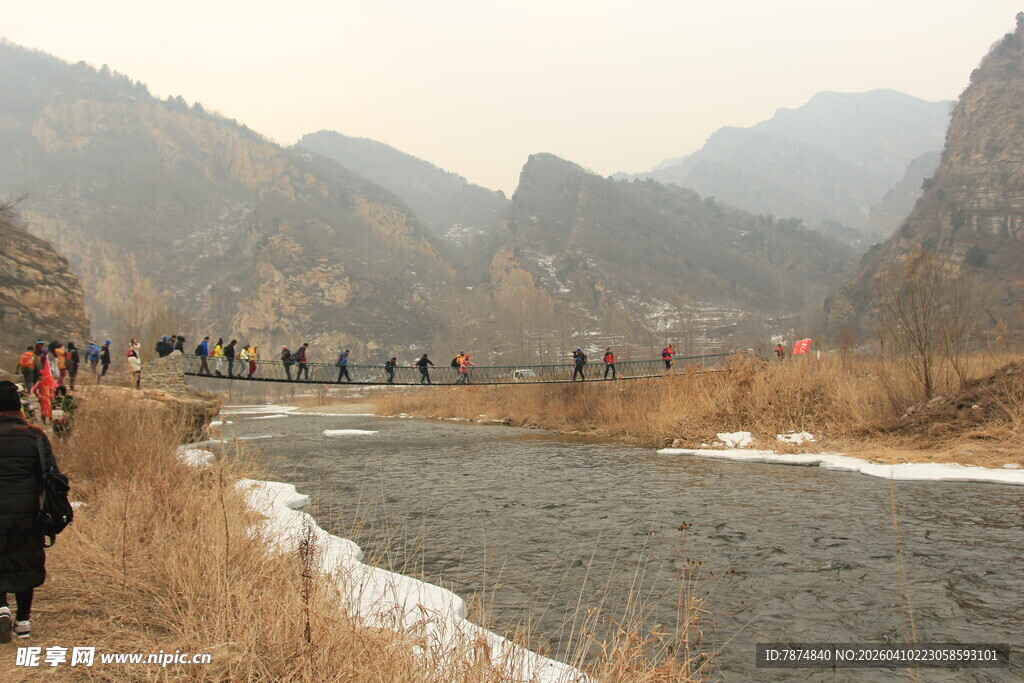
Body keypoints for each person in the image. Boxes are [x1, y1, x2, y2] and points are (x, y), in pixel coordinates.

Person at [0, 380, 62, 642]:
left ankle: (2, 607)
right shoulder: (35, 436)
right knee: (24, 560)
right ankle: (23, 620)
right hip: (28, 510)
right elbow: (52, 476)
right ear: (18, 408)